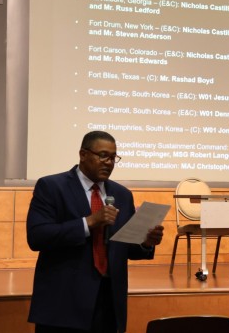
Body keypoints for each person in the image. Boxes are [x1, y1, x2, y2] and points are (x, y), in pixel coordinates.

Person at [27, 130, 164, 333]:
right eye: (103, 155)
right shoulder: (51, 186)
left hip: (108, 304)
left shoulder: (122, 194)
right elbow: (37, 237)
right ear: (83, 154)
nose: (109, 162)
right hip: (64, 305)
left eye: (113, 157)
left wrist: (146, 242)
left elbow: (124, 248)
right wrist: (89, 222)